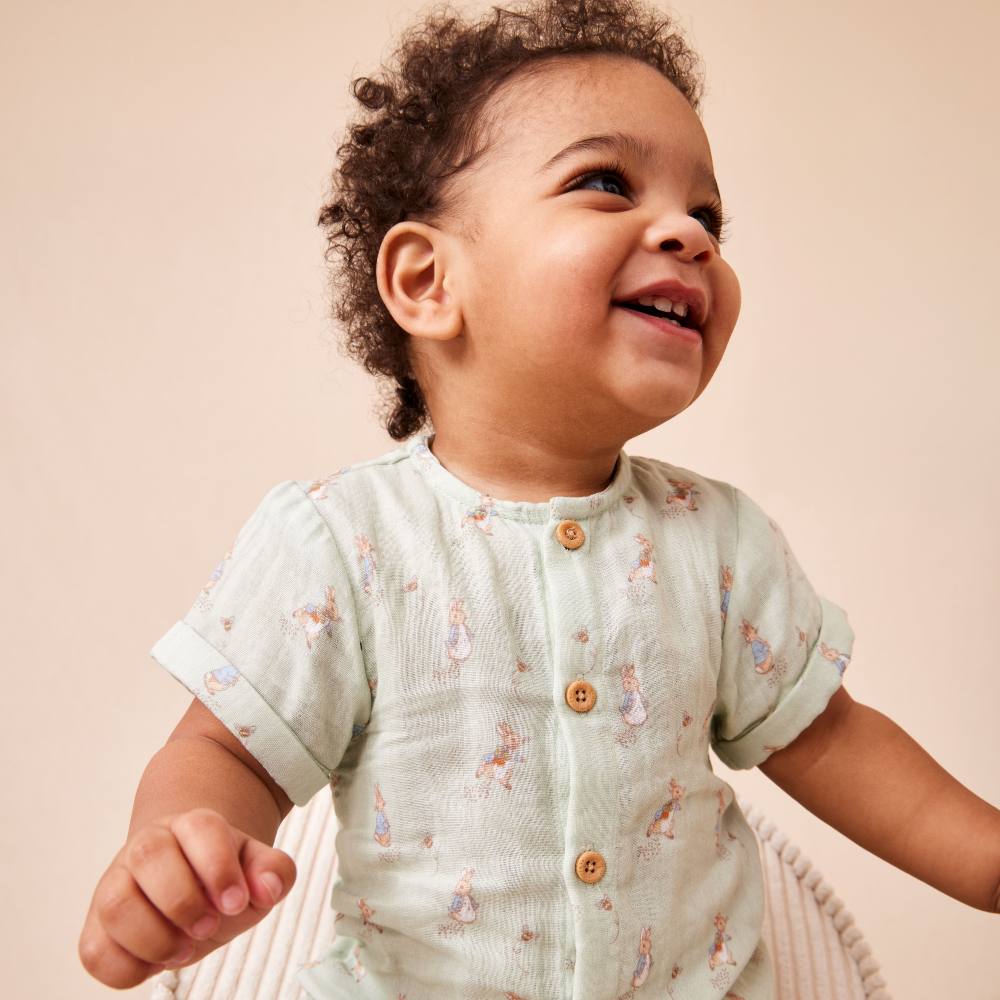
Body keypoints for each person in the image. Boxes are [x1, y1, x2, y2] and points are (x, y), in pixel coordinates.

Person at [77, 1, 1000, 996]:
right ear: (429, 280)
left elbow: (832, 740)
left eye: (709, 215)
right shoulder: (342, 542)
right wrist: (180, 850)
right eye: (605, 182)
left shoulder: (719, 543)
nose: (688, 233)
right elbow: (228, 748)